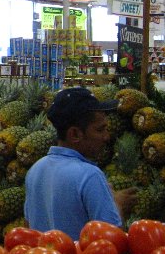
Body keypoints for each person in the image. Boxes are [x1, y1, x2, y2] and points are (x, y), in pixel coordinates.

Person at [24, 87, 138, 240]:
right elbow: (111, 240)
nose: (106, 137)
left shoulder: (35, 169)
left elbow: (28, 227)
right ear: (75, 134)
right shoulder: (90, 175)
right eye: (100, 130)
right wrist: (118, 205)